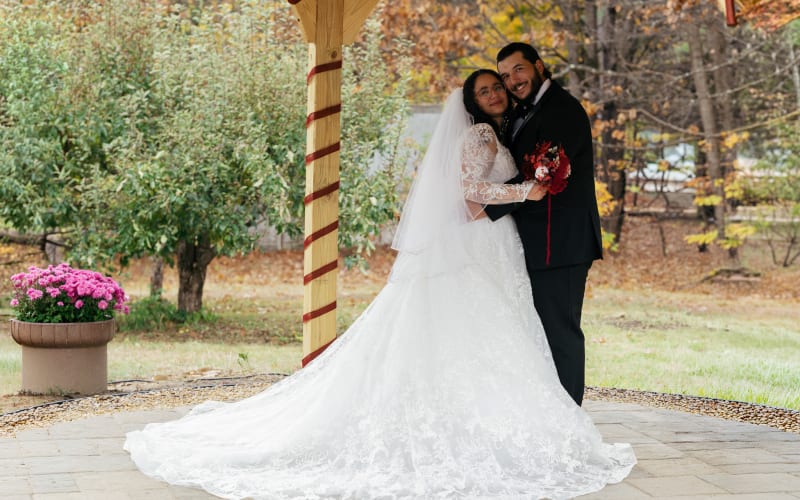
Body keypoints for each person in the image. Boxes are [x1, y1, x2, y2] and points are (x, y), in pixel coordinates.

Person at [124, 69, 635, 500]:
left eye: (497, 85)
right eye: (484, 91)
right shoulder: (479, 136)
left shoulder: (498, 134)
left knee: (484, 338)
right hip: (479, 244)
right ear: (470, 103)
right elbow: (469, 191)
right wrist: (529, 189)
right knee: (479, 335)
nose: (496, 93)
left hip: (495, 246)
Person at [485, 42, 604, 406]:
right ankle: (550, 419)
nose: (512, 81)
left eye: (518, 70)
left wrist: (481, 204)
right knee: (539, 335)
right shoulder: (524, 113)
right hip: (537, 244)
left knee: (560, 334)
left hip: (561, 245)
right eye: (505, 76)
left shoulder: (563, 110)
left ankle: (570, 424)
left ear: (538, 66)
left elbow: (543, 177)